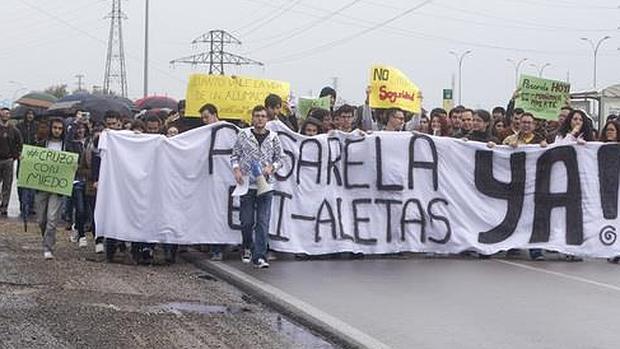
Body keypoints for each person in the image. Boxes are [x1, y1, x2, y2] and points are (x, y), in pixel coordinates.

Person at [231, 105, 283, 268]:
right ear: (252, 118)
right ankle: (247, 246)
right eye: (257, 116)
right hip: (247, 185)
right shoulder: (244, 135)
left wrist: (272, 167)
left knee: (263, 221)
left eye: (263, 116)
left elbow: (281, 158)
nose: (260, 119)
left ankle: (260, 255)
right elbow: (234, 155)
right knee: (246, 221)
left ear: (267, 119)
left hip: (266, 185)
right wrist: (237, 170)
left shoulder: (274, 137)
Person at [35, 118, 66, 259]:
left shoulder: (67, 146)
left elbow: (75, 162)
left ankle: (48, 247)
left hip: (57, 188)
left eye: (60, 128)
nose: (57, 131)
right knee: (41, 220)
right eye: (55, 128)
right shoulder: (42, 145)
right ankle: (47, 238)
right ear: (51, 128)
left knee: (52, 219)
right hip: (41, 186)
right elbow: (33, 161)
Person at [0, 107, 22, 216]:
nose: (5, 115)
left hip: (8, 160)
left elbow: (20, 143)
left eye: (7, 113)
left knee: (7, 185)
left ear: (9, 116)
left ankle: (4, 206)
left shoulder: (14, 130)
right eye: (3, 113)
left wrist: (16, 155)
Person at [17, 109, 37, 218]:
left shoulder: (36, 127)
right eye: (28, 113)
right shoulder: (19, 126)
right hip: (23, 157)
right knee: (22, 182)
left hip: (34, 157)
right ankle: (23, 205)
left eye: (32, 114)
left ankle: (31, 206)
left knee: (32, 182)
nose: (30, 116)